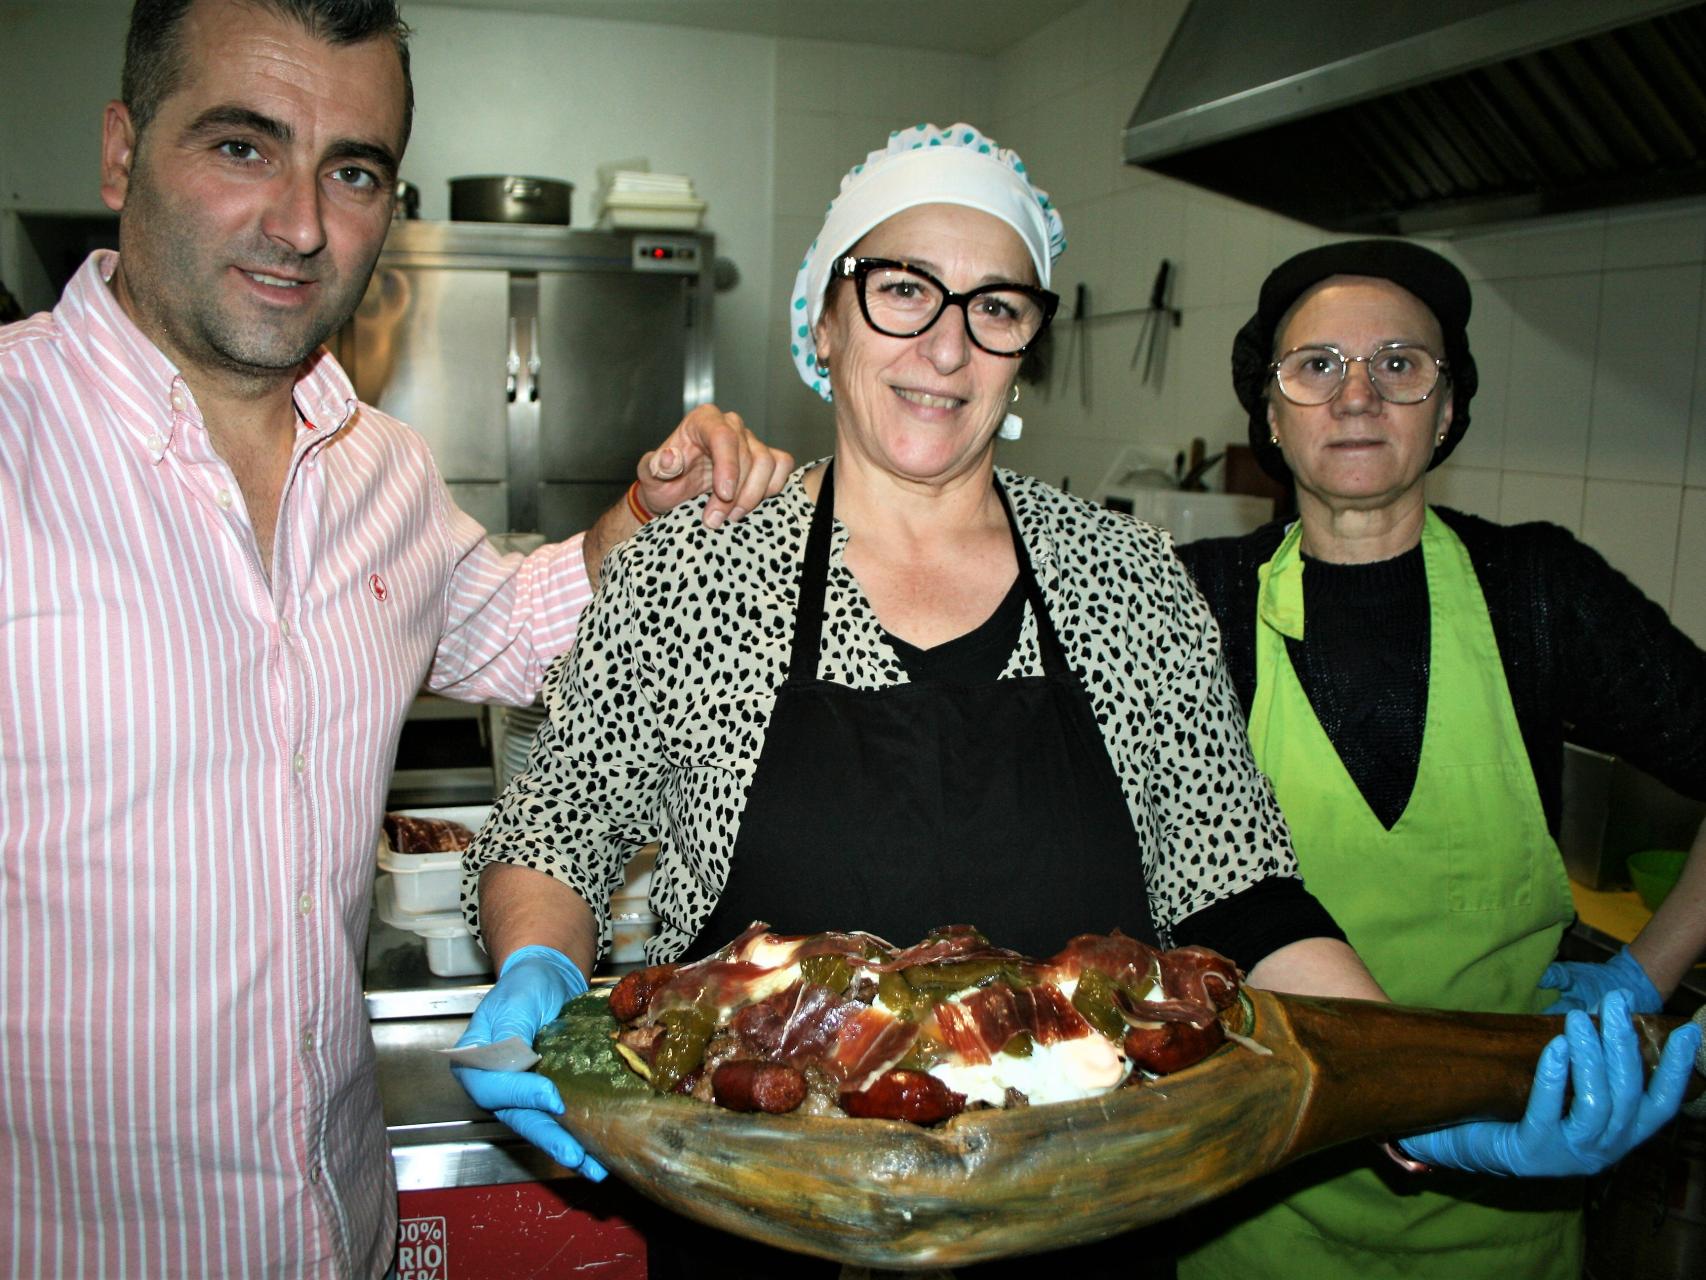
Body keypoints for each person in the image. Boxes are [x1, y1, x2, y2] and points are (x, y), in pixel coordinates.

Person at [453, 127, 1699, 1276]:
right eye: (901, 289)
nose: (945, 346)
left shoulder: (1125, 579)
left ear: (1026, 345)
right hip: (756, 1228)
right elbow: (556, 826)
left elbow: (1243, 893)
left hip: (1087, 1232)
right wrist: (538, 967)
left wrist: (1420, 1098)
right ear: (820, 318)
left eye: (994, 308)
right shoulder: (696, 571)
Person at [0, 1, 790, 1276]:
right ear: (119, 151)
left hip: (343, 1237)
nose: (303, 223)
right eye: (242, 146)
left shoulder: (383, 473)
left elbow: (520, 627)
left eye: (352, 169)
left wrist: (644, 515)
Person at [1173, 238, 1706, 1279]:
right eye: (1315, 365)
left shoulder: (1539, 595)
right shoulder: (1196, 603)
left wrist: (1647, 969)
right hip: (1248, 1190)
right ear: (1270, 415)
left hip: (1502, 1182)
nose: (1356, 394)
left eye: (1399, 364)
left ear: (1446, 409)